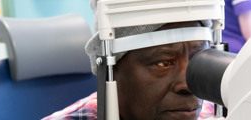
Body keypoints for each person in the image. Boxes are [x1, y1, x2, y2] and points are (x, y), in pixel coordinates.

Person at [42, 0, 218, 120]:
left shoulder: (215, 112)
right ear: (110, 69)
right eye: (164, 63)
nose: (188, 86)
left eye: (198, 60)